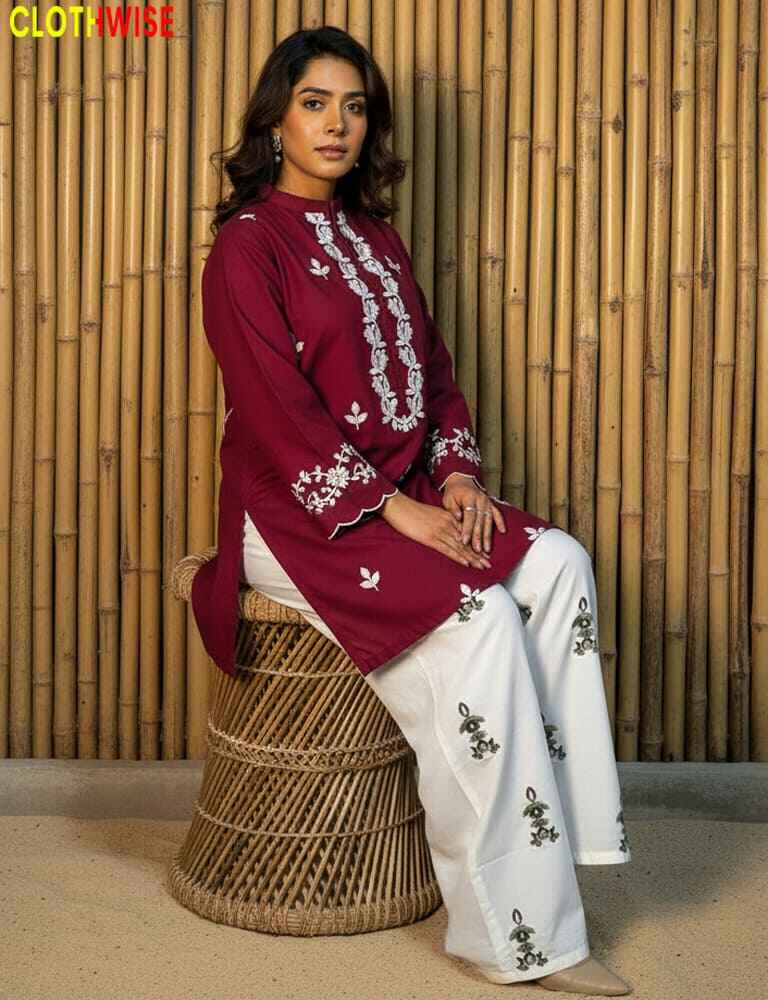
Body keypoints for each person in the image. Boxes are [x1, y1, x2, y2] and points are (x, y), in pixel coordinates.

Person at [193, 25, 633, 996]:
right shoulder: (245, 248)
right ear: (274, 117)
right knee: (474, 621)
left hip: (410, 493)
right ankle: (518, 935)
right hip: (301, 517)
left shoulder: (374, 238)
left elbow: (432, 377)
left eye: (354, 105)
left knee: (558, 563)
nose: (337, 123)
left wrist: (461, 480)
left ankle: (558, 859)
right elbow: (278, 418)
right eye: (315, 102)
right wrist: (396, 511)